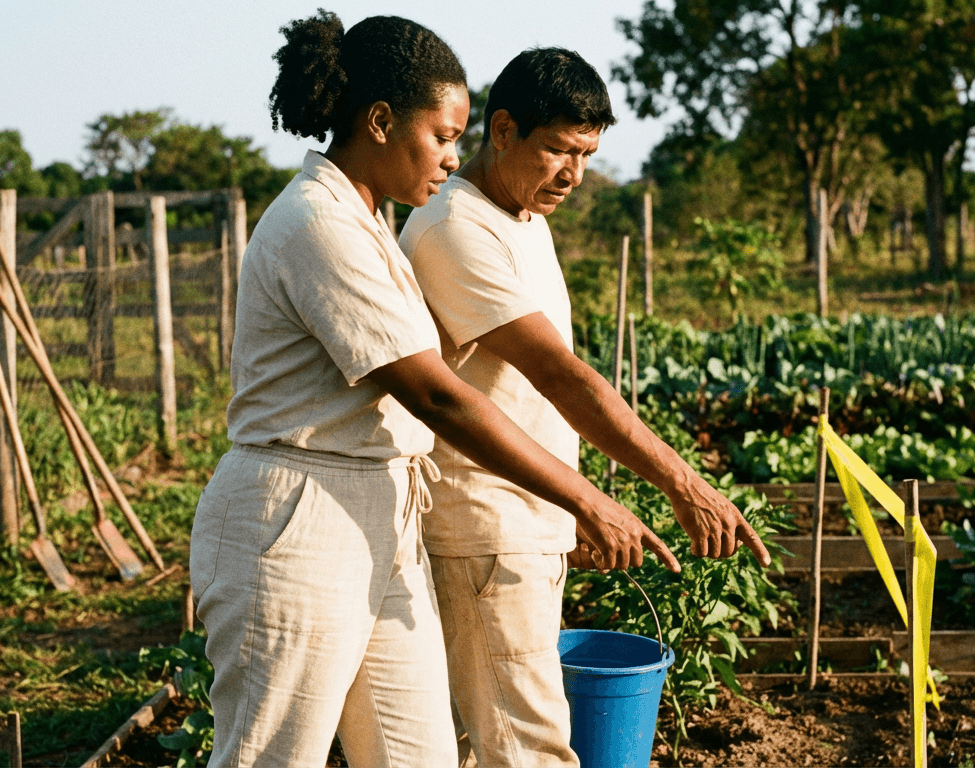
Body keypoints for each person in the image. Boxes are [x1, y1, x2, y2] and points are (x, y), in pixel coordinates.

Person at [189, 16, 677, 767]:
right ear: (381, 122)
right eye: (444, 136)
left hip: (380, 506)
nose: (454, 156)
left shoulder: (367, 222)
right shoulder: (318, 223)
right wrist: (587, 500)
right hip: (299, 513)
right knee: (271, 756)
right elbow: (439, 397)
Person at [399, 47, 772, 768]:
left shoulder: (521, 216)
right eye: (558, 150)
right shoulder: (455, 229)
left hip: (524, 521)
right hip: (485, 530)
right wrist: (682, 483)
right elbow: (561, 378)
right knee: (529, 749)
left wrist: (564, 513)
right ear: (502, 130)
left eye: (587, 155)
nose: (573, 174)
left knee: (487, 744)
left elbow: (517, 393)